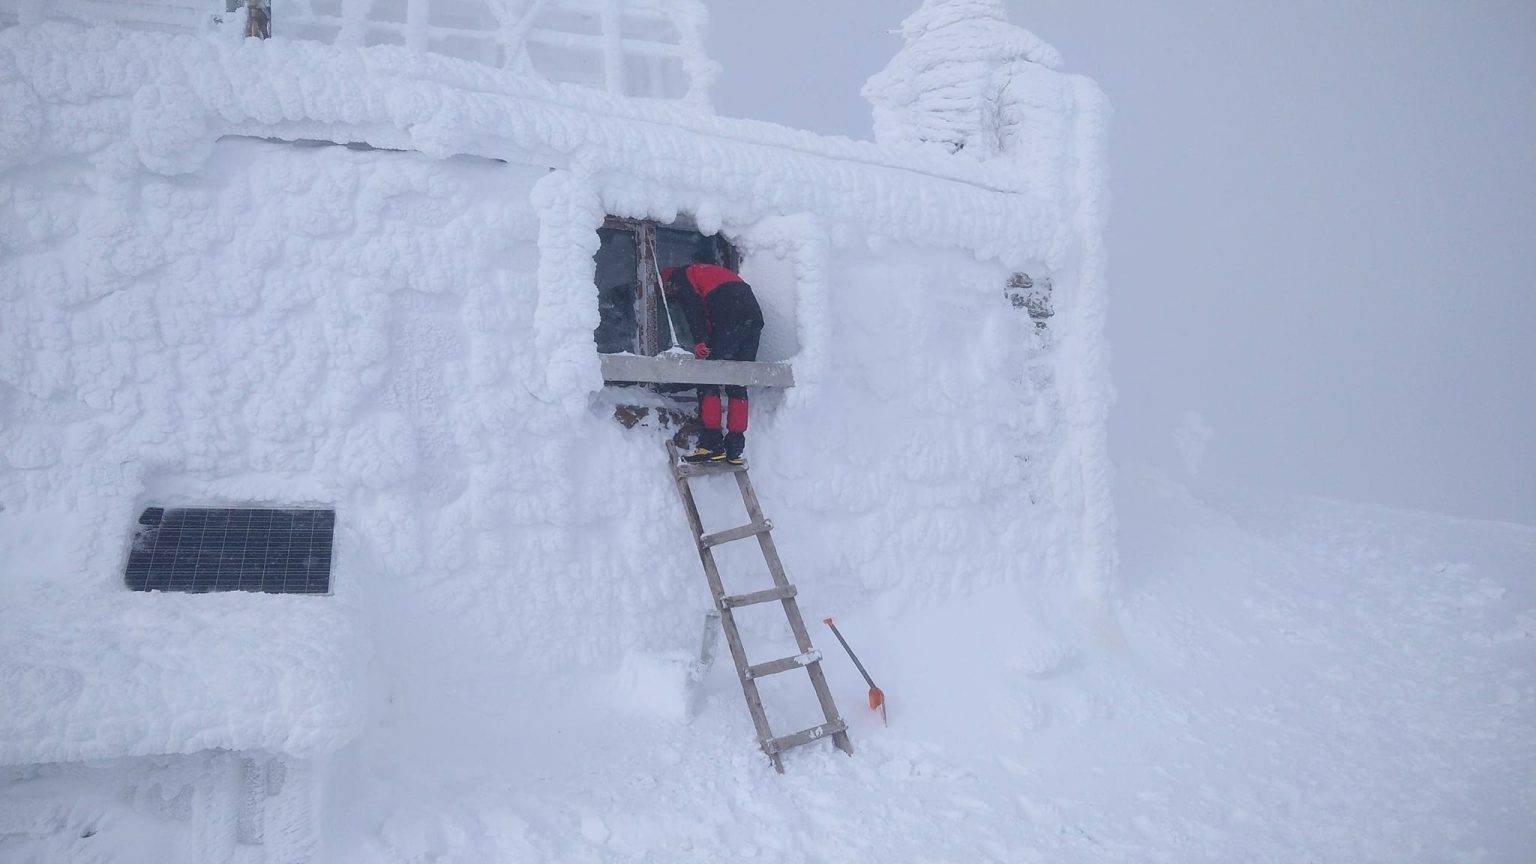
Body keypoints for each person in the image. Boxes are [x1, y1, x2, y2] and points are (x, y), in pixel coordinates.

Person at [663, 239, 764, 466]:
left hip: (731, 315)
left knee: (707, 377)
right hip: (752, 318)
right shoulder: (708, 273)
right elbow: (708, 308)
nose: (671, 296)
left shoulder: (681, 276)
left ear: (668, 281)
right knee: (737, 381)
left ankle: (711, 444)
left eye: (669, 292)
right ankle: (734, 448)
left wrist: (700, 341)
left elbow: (693, 309)